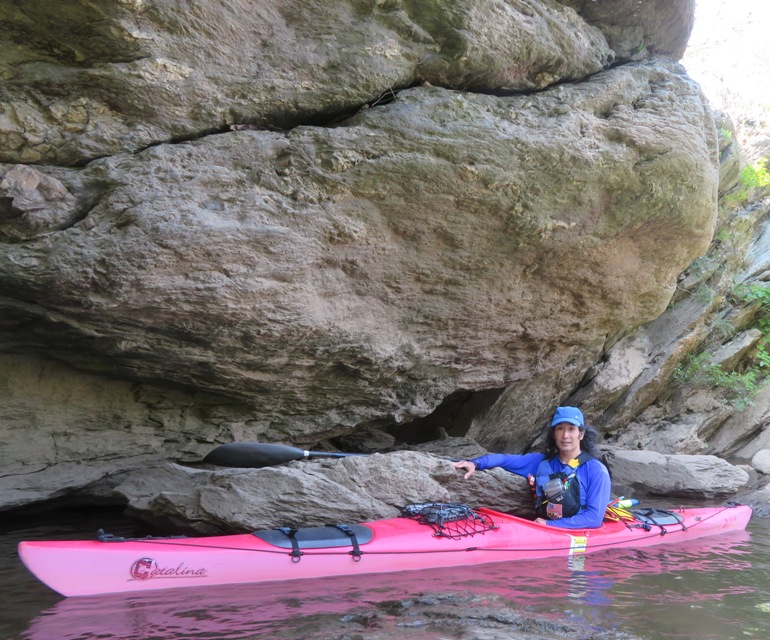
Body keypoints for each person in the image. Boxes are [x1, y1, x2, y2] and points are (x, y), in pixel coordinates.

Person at [451, 406, 611, 529]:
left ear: (581, 434)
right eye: (560, 428)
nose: (565, 435)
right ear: (554, 433)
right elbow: (505, 460)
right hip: (545, 528)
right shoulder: (542, 463)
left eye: (571, 429)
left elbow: (594, 518)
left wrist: (551, 526)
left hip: (578, 533)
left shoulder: (596, 470)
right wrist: (475, 463)